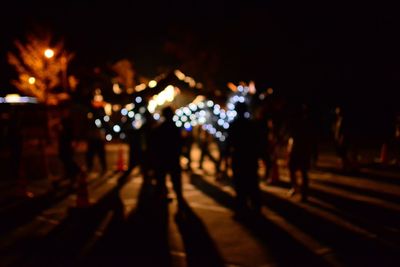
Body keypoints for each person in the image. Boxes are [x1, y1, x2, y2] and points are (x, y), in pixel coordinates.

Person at [227, 102, 262, 218]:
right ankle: (255, 208)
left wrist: (226, 158)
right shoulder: (252, 124)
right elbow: (258, 142)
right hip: (250, 158)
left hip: (239, 158)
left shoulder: (234, 125)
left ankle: (242, 209)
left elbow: (229, 143)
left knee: (240, 185)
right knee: (252, 183)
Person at [152, 106, 185, 208]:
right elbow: (180, 144)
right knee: (176, 182)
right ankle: (179, 200)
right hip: (172, 158)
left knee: (161, 182)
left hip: (163, 159)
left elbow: (155, 146)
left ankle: (162, 200)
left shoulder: (159, 129)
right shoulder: (175, 128)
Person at [287, 104, 316, 202]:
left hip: (299, 149)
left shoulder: (302, 123)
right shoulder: (306, 122)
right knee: (299, 171)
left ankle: (301, 192)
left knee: (300, 171)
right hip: (302, 149)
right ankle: (298, 189)